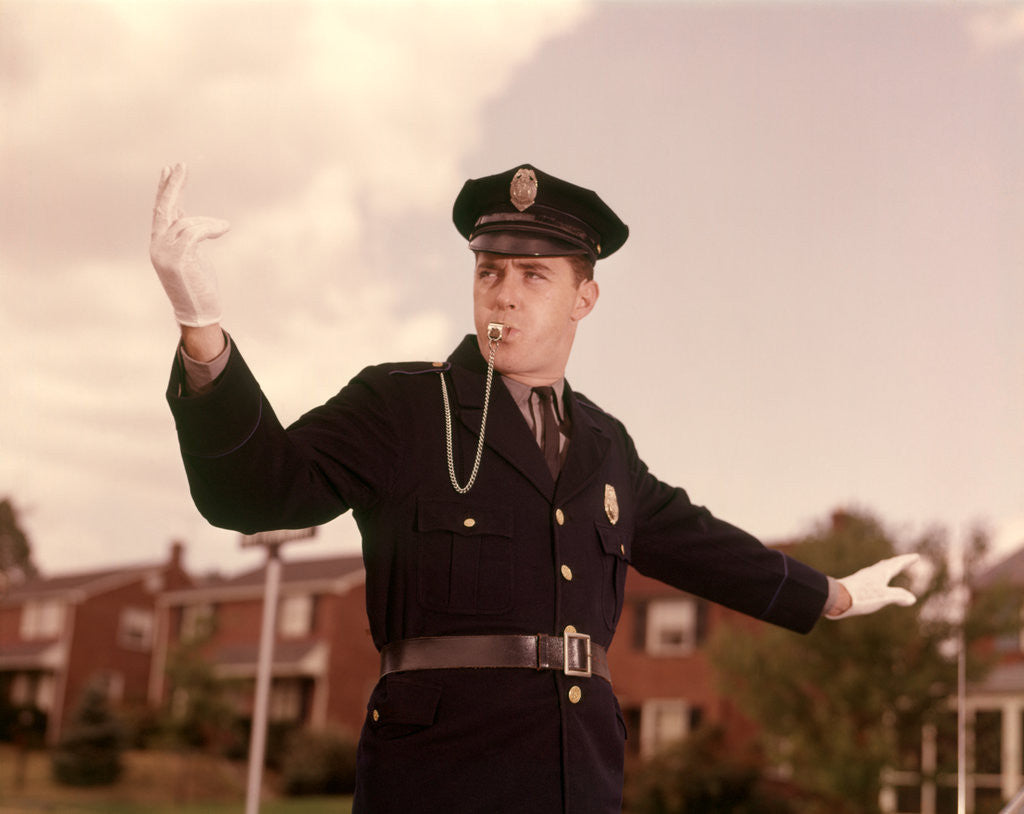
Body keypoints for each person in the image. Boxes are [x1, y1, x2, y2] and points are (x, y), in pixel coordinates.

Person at [150, 161, 918, 813]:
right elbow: (254, 492)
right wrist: (202, 328)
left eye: (533, 276)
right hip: (439, 776)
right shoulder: (403, 406)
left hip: (579, 771)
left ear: (583, 297)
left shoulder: (604, 444)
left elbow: (694, 542)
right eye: (490, 272)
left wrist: (831, 594)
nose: (504, 294)